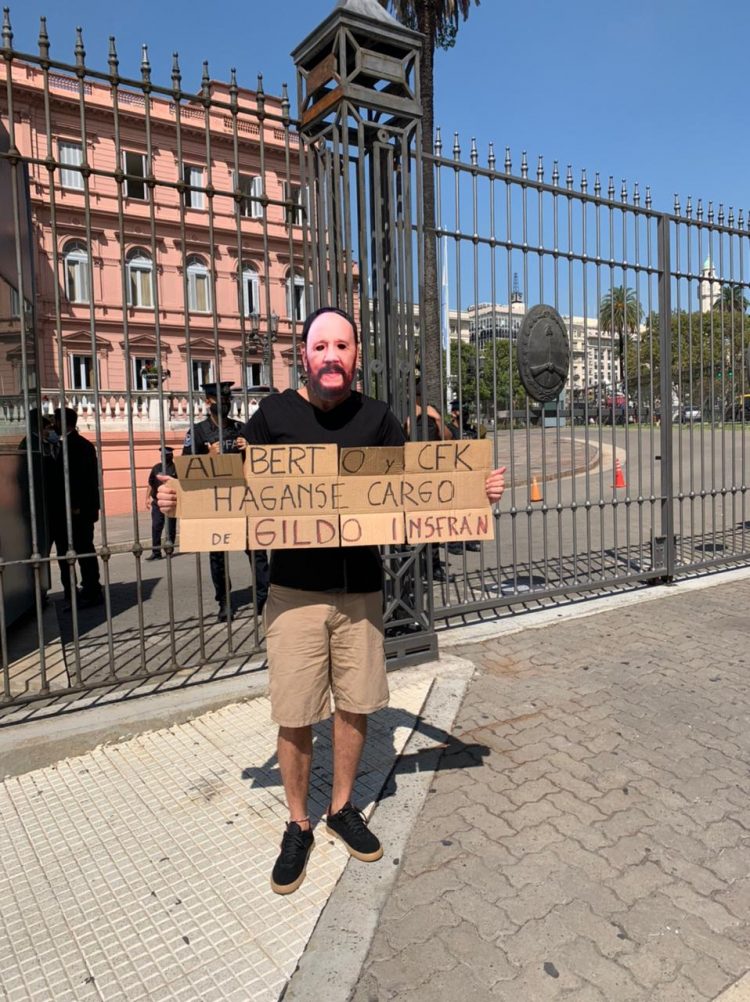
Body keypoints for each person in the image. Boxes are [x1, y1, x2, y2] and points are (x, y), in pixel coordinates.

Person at [157, 306, 506, 895]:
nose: (331, 357)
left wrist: (477, 494)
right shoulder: (273, 416)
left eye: (341, 346)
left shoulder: (378, 419)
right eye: (320, 347)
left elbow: (418, 490)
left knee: (355, 706)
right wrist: (181, 500)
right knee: (295, 713)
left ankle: (342, 807)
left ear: (356, 356)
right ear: (304, 355)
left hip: (361, 593)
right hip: (293, 594)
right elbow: (230, 484)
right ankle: (298, 824)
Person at [182, 381, 269, 622]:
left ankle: (263, 598)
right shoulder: (197, 432)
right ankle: (224, 601)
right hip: (216, 502)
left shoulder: (241, 428)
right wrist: (208, 456)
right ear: (208, 402)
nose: (225, 404)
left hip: (243, 499)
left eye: (228, 400)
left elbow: (261, 461)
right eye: (220, 400)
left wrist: (250, 448)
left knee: (257, 550)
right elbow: (185, 468)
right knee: (218, 556)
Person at [50, 407, 103, 609]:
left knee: (82, 551)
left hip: (77, 511)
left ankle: (91, 590)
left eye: (55, 421)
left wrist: (76, 505)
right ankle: (79, 591)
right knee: (75, 551)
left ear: (62, 422)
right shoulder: (69, 444)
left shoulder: (78, 446)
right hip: (70, 511)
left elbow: (83, 478)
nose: (52, 425)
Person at [145, 447, 177, 560]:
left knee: (171, 527)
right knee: (156, 526)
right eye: (162, 455)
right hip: (157, 502)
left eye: (167, 455)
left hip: (171, 502)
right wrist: (147, 498)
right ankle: (156, 552)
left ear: (171, 456)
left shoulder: (176, 468)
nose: (164, 457)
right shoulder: (156, 468)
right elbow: (150, 483)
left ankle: (169, 549)